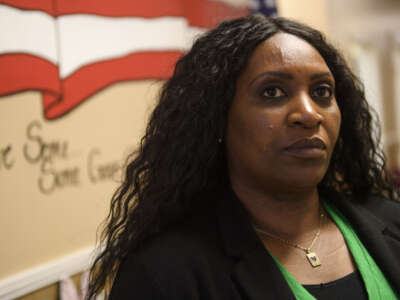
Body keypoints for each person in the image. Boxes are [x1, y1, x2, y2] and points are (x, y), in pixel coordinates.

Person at [87, 15, 400, 299]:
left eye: (321, 92)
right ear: (217, 118)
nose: (309, 114)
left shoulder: (391, 221)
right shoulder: (165, 275)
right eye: (272, 92)